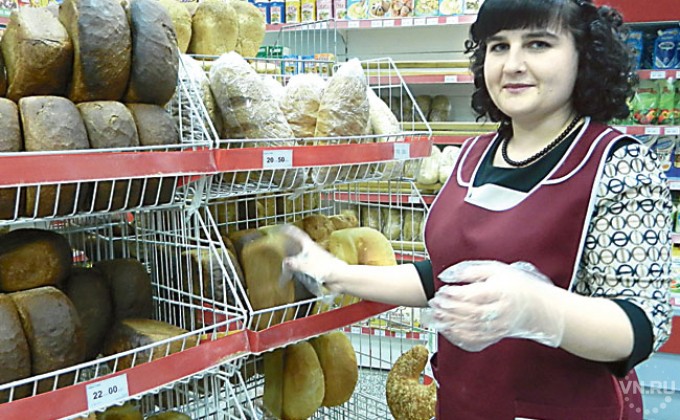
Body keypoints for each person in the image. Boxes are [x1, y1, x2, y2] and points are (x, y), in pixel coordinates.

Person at [281, 0, 673, 418]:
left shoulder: (618, 164)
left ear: (584, 56)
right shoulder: (474, 154)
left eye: (538, 44)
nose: (513, 65)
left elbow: (642, 325)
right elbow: (445, 275)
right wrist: (334, 272)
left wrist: (538, 308)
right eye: (499, 46)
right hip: (462, 404)